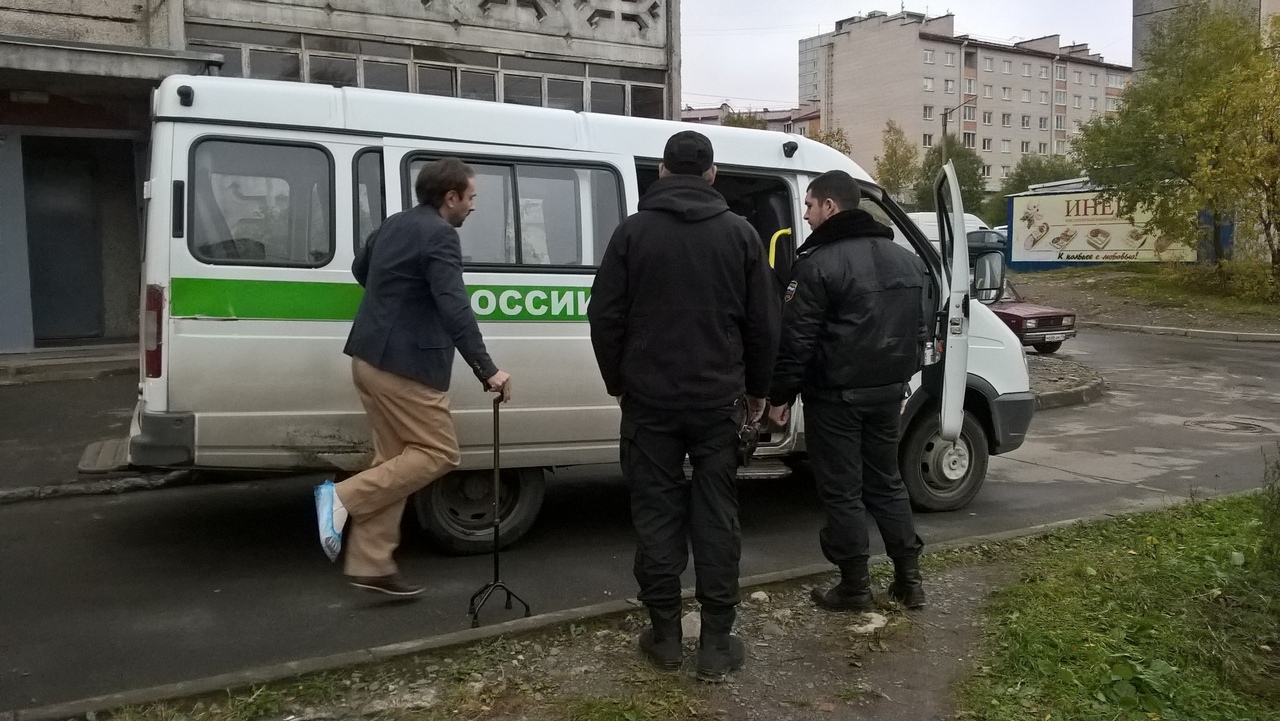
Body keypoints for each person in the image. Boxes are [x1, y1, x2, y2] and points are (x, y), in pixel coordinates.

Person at [588, 130, 780, 682]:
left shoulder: (632, 233)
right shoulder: (741, 235)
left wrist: (618, 382)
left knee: (656, 513)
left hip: (649, 403)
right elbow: (764, 322)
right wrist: (758, 392)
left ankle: (666, 635)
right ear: (713, 174)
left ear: (664, 173)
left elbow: (604, 316)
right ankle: (717, 642)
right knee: (718, 515)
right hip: (718, 400)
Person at [314, 158, 511, 597]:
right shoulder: (440, 235)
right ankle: (341, 499)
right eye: (472, 198)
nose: (474, 207)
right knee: (438, 453)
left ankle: (372, 563)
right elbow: (454, 306)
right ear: (451, 197)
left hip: (368, 358)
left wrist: (397, 301)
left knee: (394, 463)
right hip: (406, 368)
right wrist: (488, 369)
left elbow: (361, 271)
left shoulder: (395, 224)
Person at [767, 170, 930, 612]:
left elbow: (796, 340)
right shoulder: (907, 259)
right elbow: (920, 329)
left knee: (842, 491)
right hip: (888, 393)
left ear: (830, 207)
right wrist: (900, 377)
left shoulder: (817, 264)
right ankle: (909, 581)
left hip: (836, 397)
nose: (805, 214)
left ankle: (855, 586)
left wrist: (779, 396)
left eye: (809, 205)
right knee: (887, 483)